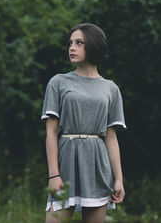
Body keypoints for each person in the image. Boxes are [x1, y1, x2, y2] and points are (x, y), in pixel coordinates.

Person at [41, 23, 126, 223]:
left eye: (79, 43)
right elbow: (51, 132)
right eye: (70, 43)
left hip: (97, 166)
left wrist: (119, 179)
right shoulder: (58, 82)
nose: (72, 47)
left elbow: (111, 137)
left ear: (93, 46)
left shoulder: (110, 88)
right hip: (66, 163)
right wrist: (54, 175)